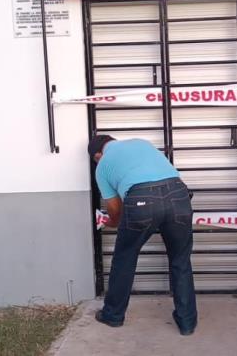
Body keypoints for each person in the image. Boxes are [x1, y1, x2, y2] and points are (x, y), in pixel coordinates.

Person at [89, 135, 198, 336]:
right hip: (179, 195)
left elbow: (114, 210)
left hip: (141, 199)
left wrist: (111, 223)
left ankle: (113, 315)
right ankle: (187, 322)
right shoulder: (142, 143)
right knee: (181, 260)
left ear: (98, 154)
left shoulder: (103, 164)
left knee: (124, 259)